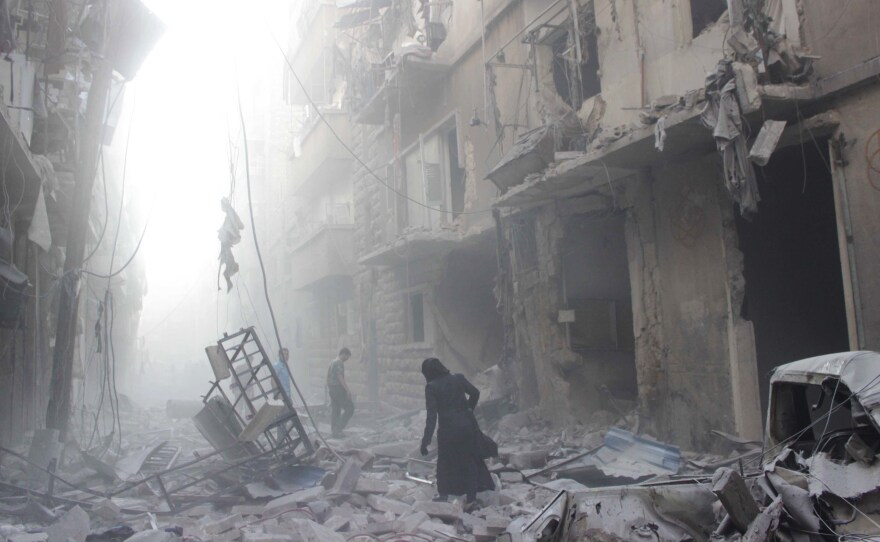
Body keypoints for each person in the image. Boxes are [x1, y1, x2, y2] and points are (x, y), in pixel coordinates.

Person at [419, 358, 494, 508]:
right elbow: (475, 393)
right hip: (466, 426)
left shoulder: (431, 387)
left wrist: (425, 441)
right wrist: (468, 409)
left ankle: (444, 496)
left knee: (445, 462)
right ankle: (471, 499)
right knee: (469, 461)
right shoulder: (458, 379)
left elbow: (432, 417)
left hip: (448, 429)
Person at [327, 347, 354, 437]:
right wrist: (347, 390)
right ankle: (338, 429)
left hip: (332, 389)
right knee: (350, 408)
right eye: (347, 357)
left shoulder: (332, 362)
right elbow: (340, 377)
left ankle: (334, 432)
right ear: (343, 354)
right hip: (338, 389)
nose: (347, 359)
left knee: (336, 410)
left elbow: (328, 377)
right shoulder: (338, 363)